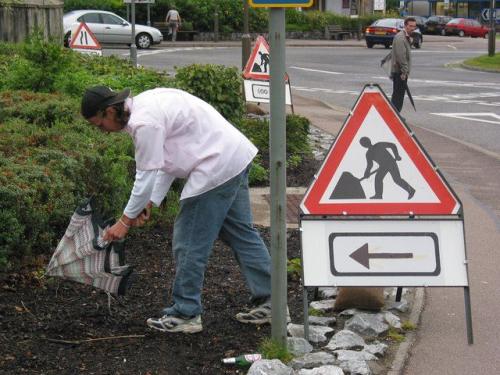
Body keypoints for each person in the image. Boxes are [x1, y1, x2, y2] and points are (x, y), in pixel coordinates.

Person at [80, 86, 273, 334]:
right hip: (234, 155)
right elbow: (165, 162)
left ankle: (186, 312)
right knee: (240, 233)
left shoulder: (144, 123)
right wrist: (151, 202)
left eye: (99, 125)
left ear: (109, 111)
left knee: (189, 242)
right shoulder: (146, 104)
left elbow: (145, 176)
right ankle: (273, 302)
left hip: (215, 166)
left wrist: (124, 222)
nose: (102, 132)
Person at [390, 17, 417, 112]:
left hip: (401, 71)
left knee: (399, 95)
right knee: (397, 96)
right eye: (410, 26)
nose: (413, 28)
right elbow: (401, 56)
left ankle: (394, 116)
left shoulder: (406, 37)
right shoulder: (400, 37)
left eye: (414, 26)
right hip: (399, 72)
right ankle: (393, 117)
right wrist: (404, 72)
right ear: (405, 26)